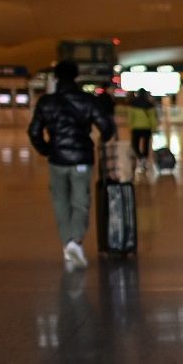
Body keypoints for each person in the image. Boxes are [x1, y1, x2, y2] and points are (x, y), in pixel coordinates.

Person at [28, 60, 115, 269]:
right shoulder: (86, 100)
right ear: (76, 76)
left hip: (57, 160)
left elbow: (33, 131)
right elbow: (106, 127)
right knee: (80, 202)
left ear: (56, 77)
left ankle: (68, 243)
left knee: (60, 203)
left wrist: (46, 149)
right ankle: (75, 241)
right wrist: (103, 139)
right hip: (81, 160)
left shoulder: (46, 102)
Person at [126, 90, 159, 166]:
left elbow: (130, 117)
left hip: (136, 128)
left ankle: (140, 157)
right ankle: (144, 158)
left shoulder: (133, 104)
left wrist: (130, 127)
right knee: (146, 145)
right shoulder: (150, 105)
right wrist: (154, 128)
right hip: (147, 128)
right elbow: (153, 119)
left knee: (135, 145)